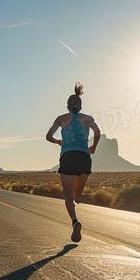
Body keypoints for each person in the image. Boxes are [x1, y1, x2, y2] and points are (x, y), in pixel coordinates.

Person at [45, 82, 100, 242]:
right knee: (77, 196)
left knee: (68, 198)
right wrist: (93, 147)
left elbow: (48, 136)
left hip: (68, 156)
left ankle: (75, 222)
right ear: (81, 106)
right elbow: (97, 132)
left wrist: (58, 142)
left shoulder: (61, 119)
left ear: (67, 106)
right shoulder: (88, 119)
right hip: (84, 157)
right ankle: (78, 200)